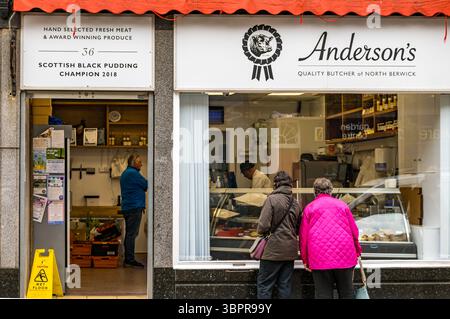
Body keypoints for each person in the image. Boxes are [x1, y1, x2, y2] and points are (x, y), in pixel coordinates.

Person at [299, 177, 362, 299]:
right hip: (345, 256)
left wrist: (305, 259)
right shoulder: (343, 205)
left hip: (319, 258)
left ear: (315, 191)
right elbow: (354, 232)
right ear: (331, 191)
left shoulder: (310, 208)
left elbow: (303, 237)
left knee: (323, 294)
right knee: (347, 293)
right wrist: (358, 250)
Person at [256, 171, 300, 299]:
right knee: (285, 286)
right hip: (290, 251)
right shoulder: (295, 202)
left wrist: (262, 232)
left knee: (265, 285)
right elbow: (298, 227)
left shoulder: (271, 199)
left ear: (276, 184)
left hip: (273, 251)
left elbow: (263, 226)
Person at [120, 153, 148, 268]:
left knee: (130, 234)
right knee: (132, 234)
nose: (141, 164)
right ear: (134, 163)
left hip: (128, 207)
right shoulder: (134, 173)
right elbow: (147, 185)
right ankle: (129, 260)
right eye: (139, 162)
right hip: (134, 208)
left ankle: (128, 258)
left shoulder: (125, 173)